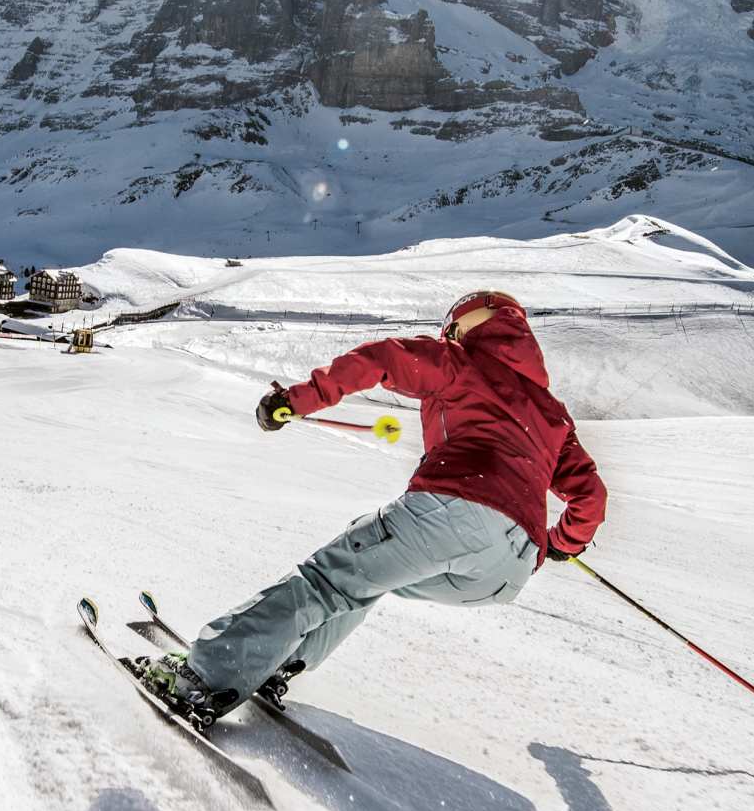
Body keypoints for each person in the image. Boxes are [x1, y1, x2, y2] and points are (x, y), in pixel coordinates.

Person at [140, 290, 607, 720]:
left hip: (456, 508)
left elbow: (383, 359)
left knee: (328, 581)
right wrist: (559, 544)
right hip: (507, 571)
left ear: (474, 324)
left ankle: (201, 679)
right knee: (367, 578)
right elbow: (590, 495)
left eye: (454, 326)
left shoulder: (463, 363)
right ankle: (281, 660)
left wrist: (296, 401)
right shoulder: (552, 413)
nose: (449, 333)